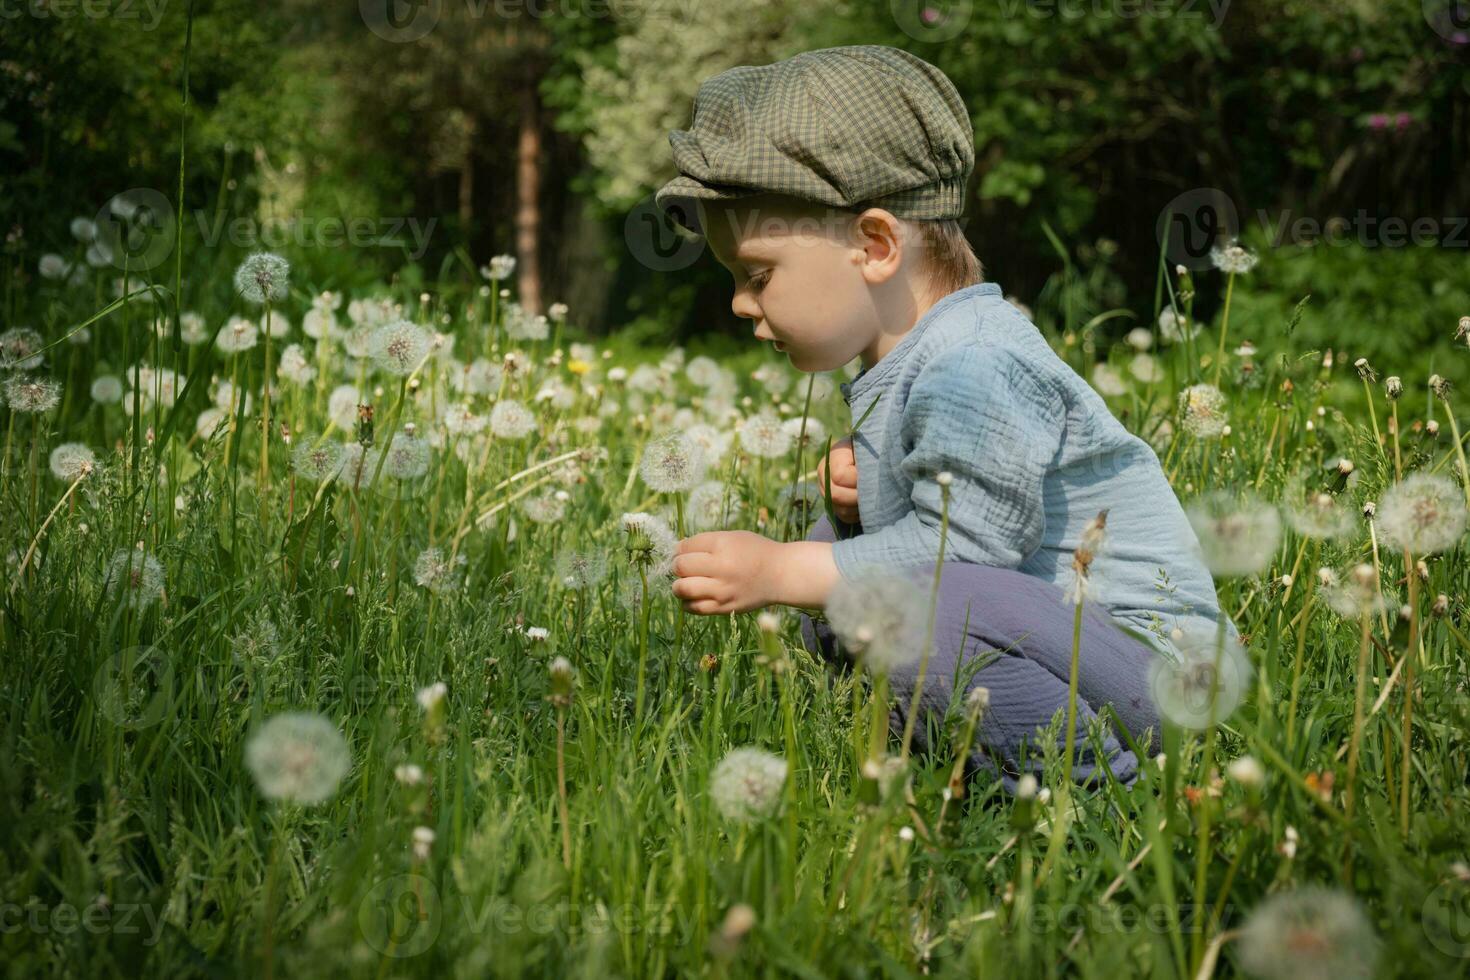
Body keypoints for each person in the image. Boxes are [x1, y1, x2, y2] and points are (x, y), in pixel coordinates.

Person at [656, 45, 1234, 792]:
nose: (739, 303)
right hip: (1063, 640)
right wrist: (869, 502)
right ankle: (946, 744)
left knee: (914, 601)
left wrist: (778, 570)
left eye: (757, 275)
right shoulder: (918, 353)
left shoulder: (974, 360)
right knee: (836, 551)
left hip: (1156, 668)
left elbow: (969, 551)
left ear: (875, 246)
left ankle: (1104, 787)